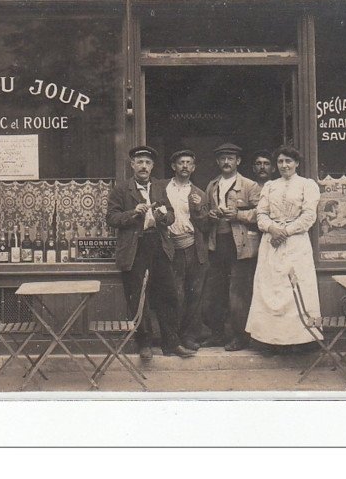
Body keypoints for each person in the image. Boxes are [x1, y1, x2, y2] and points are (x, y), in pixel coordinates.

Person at [106, 145, 197, 360]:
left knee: (168, 295)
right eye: (140, 162)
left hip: (159, 245)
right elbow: (111, 218)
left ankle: (171, 343)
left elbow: (171, 215)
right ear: (132, 165)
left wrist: (163, 216)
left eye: (147, 163)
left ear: (152, 166)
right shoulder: (121, 189)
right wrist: (133, 213)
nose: (143, 166)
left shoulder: (159, 187)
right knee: (138, 297)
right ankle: (144, 344)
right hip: (134, 248)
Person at [246, 146, 321, 354]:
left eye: (288, 161)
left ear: (297, 163)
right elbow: (261, 214)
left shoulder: (307, 185)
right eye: (280, 162)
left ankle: (299, 341)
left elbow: (308, 217)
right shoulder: (269, 186)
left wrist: (285, 232)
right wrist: (272, 228)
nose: (284, 165)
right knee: (270, 289)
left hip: (295, 242)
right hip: (272, 243)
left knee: (295, 289)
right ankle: (270, 340)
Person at [201, 143, 262, 351]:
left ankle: (241, 337)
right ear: (218, 162)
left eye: (231, 158)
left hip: (241, 246)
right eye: (223, 159)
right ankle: (217, 334)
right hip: (217, 244)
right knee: (215, 292)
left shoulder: (250, 186)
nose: (226, 162)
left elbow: (261, 213)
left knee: (238, 294)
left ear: (238, 161)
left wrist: (238, 216)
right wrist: (210, 215)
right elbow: (207, 210)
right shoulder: (212, 185)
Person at [166, 149, 211, 350]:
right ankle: (172, 337)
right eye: (181, 162)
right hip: (170, 248)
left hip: (193, 247)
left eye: (189, 163)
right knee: (174, 294)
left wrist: (199, 208)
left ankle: (188, 336)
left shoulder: (199, 194)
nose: (185, 166)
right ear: (173, 166)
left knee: (194, 294)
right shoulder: (162, 189)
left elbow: (206, 226)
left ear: (193, 168)